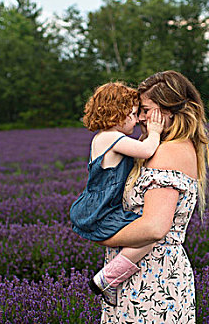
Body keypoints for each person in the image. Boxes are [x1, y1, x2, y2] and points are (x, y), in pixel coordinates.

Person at [98, 71, 209, 323]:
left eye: (146, 110)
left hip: (150, 281)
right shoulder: (177, 147)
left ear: (169, 111)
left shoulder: (167, 153)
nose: (139, 118)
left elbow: (154, 228)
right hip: (146, 277)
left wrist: (104, 236)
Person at [69, 82, 165, 306]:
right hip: (100, 211)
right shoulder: (109, 138)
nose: (136, 119)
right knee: (148, 237)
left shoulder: (110, 139)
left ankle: (111, 281)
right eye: (131, 113)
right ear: (115, 115)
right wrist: (155, 132)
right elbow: (148, 150)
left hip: (104, 208)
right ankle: (105, 280)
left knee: (145, 236)